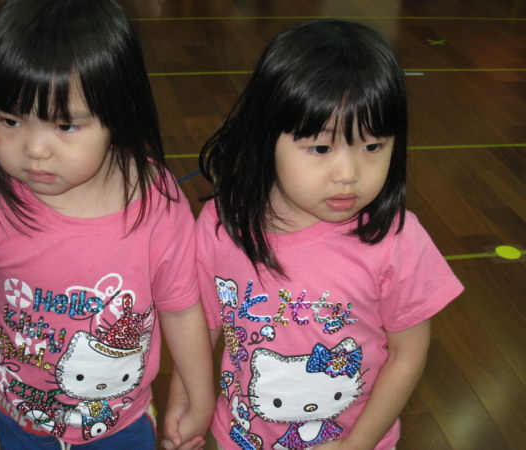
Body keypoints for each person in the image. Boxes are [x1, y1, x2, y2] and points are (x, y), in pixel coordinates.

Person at [0, 0, 214, 448]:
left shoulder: (156, 204)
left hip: (122, 428)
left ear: (116, 113)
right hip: (11, 423)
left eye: (64, 126)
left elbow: (180, 309)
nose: (35, 149)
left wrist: (200, 397)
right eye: (10, 120)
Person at [193, 20, 464, 450]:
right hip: (241, 436)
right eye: (320, 148)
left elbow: (408, 355)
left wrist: (355, 446)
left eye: (373, 146)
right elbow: (201, 327)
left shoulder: (397, 240)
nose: (349, 174)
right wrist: (187, 399)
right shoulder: (221, 224)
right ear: (266, 137)